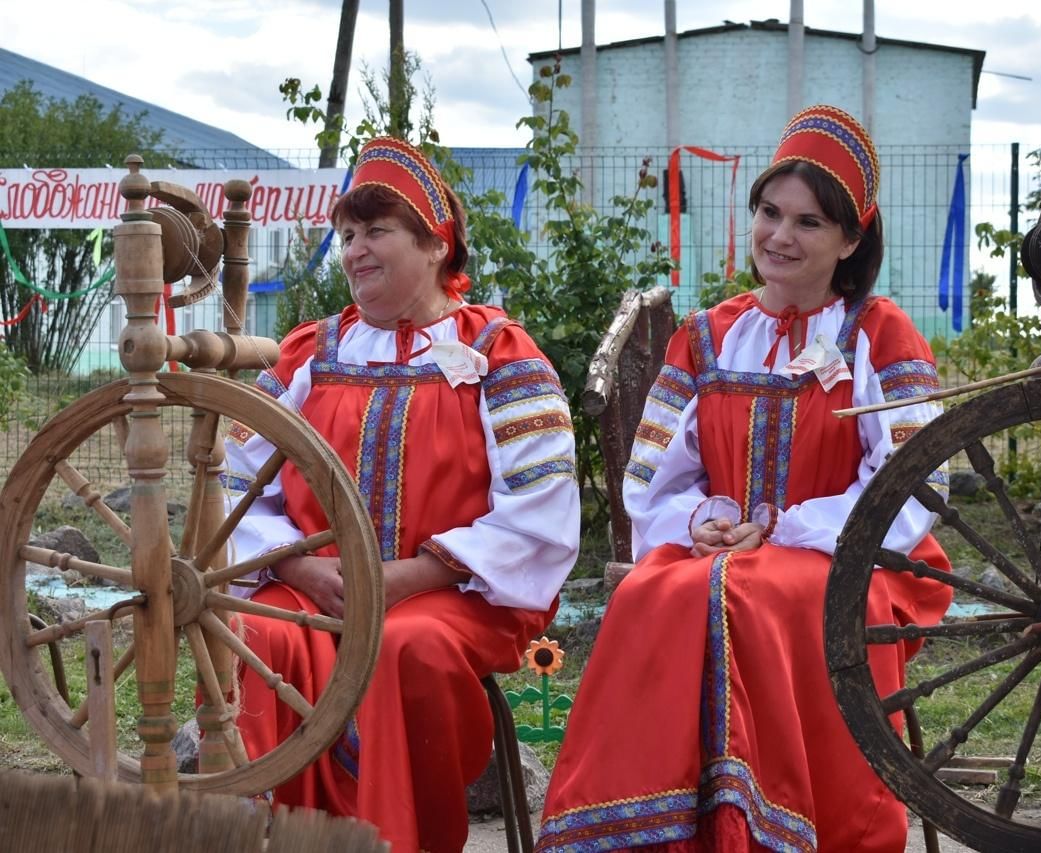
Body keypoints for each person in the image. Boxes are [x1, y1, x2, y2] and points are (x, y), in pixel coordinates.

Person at [535, 105, 952, 852]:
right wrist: (702, 520)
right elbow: (657, 478)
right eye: (769, 212)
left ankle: (781, 828)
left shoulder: (879, 334)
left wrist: (788, 529)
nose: (780, 237)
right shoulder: (706, 337)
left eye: (809, 222)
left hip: (848, 557)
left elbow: (911, 483)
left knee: (745, 591)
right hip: (717, 550)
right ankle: (654, 832)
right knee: (653, 591)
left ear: (851, 239)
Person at [222, 136, 580, 853]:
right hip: (315, 581)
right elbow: (234, 485)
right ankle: (282, 838)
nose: (354, 249)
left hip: (456, 592)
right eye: (347, 234)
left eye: (376, 231)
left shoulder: (500, 354)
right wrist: (298, 567)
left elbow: (539, 504)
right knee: (255, 631)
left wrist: (405, 577)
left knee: (402, 645)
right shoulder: (310, 354)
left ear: (435, 244)